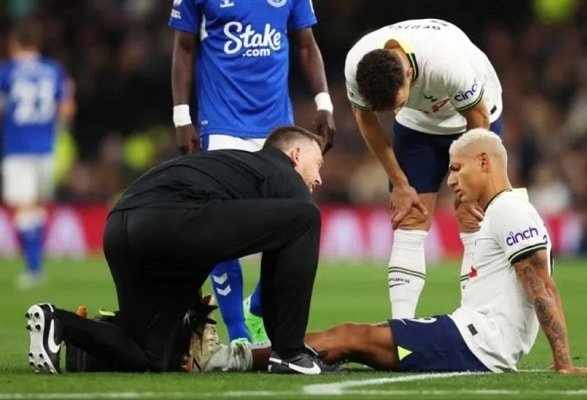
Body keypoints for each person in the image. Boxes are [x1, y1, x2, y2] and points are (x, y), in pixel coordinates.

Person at [194, 129, 587, 376]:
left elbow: (541, 285)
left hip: (477, 344)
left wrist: (563, 361)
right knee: (353, 337)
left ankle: (227, 359)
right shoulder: (494, 214)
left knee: (350, 337)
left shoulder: (511, 210)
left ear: (484, 162)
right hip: (473, 336)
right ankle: (246, 356)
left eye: (456, 169)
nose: (450, 180)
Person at [25, 125, 339, 375]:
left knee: (149, 354)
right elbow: (289, 242)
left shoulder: (231, 168)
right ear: (296, 154)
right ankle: (290, 355)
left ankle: (60, 323)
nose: (319, 178)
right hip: (170, 219)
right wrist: (286, 347)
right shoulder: (281, 169)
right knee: (307, 217)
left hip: (120, 224)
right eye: (318, 165)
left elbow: (273, 252)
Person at [169, 0, 336, 345]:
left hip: (277, 127)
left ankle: (256, 309)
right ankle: (239, 335)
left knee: (297, 218)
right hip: (222, 122)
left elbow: (306, 44)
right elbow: (184, 48)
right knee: (221, 225)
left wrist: (324, 102)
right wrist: (181, 116)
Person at [343, 18, 504, 319]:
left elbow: (478, 117)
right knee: (410, 215)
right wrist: (399, 183)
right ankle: (402, 327)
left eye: (398, 102)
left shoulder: (446, 63)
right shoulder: (357, 65)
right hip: (417, 125)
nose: (394, 111)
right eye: (388, 109)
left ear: (408, 74)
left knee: (472, 217)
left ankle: (477, 320)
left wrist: (464, 179)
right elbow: (367, 121)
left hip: (474, 118)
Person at [0, 20, 76, 289]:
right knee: (37, 206)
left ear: (14, 44)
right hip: (47, 148)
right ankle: (36, 263)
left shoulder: (7, 72)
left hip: (17, 147)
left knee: (23, 207)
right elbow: (67, 109)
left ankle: (34, 268)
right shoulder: (54, 70)